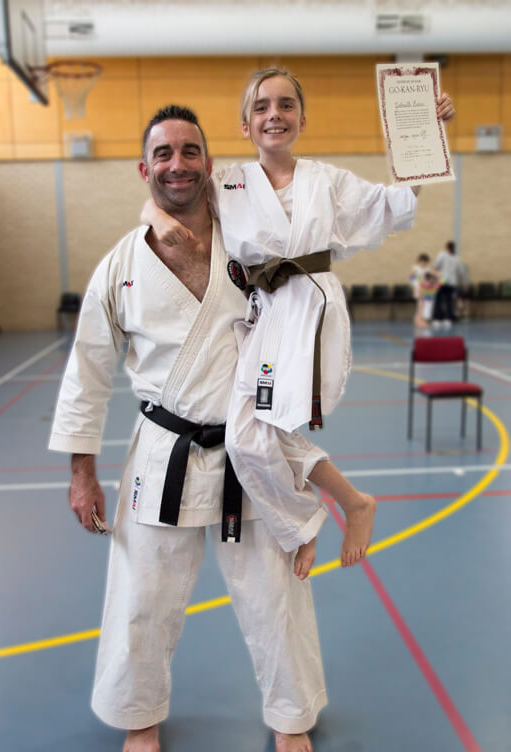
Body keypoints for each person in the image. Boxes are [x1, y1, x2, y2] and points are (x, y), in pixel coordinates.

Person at [49, 106, 337, 752]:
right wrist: (81, 472)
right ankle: (138, 714)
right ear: (144, 168)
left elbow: (310, 290)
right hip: (163, 451)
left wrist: (422, 137)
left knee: (275, 594)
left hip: (250, 448)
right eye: (163, 153)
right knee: (142, 595)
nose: (177, 163)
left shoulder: (254, 241)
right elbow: (87, 372)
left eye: (189, 150)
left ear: (209, 163)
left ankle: (290, 712)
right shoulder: (120, 265)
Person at [142, 68, 455, 566]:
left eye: (286, 105)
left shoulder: (327, 181)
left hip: (310, 310)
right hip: (262, 314)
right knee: (247, 437)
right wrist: (157, 219)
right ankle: (342, 506)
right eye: (261, 106)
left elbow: (394, 204)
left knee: (267, 429)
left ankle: (312, 523)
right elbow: (168, 198)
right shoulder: (228, 183)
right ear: (245, 124)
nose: (274, 114)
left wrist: (428, 137)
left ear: (302, 119)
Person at [433, 240, 462, 327]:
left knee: (438, 300)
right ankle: (448, 319)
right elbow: (458, 271)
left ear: (447, 247)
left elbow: (436, 265)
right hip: (452, 282)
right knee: (449, 301)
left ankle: (437, 319)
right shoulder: (456, 257)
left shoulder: (442, 254)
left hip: (443, 280)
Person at [410, 252, 431, 327]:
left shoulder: (427, 269)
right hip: (419, 288)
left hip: (426, 288)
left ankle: (421, 319)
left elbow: (429, 278)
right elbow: (412, 278)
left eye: (425, 262)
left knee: (424, 304)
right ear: (419, 261)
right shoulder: (416, 268)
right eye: (422, 262)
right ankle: (418, 319)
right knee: (421, 304)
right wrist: (418, 284)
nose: (424, 264)